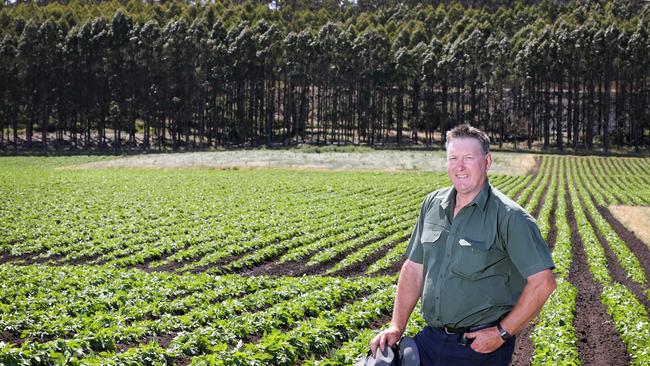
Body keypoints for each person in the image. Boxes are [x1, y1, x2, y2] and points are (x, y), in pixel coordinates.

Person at [369, 124, 556, 365]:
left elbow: (543, 283)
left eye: (468, 158)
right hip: (431, 339)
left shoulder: (510, 217)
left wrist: (501, 333)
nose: (460, 166)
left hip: (477, 347)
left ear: (486, 162)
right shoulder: (432, 204)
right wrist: (396, 326)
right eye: (453, 158)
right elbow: (414, 267)